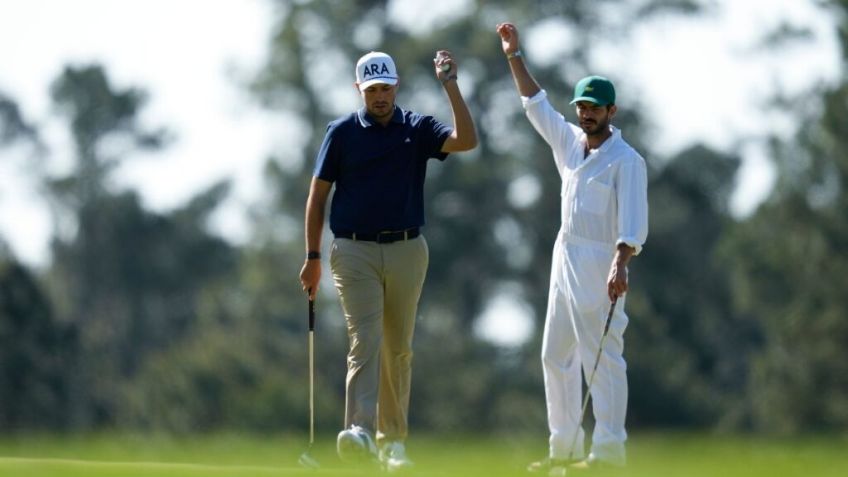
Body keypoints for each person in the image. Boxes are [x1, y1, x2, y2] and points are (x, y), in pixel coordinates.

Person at [299, 50, 477, 471]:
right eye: (372, 90)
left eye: (386, 88)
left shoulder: (417, 127)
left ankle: (392, 442)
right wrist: (312, 256)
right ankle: (359, 430)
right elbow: (317, 197)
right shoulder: (341, 132)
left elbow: (466, 141)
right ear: (359, 89)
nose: (380, 97)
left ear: (396, 85)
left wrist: (450, 84)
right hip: (353, 250)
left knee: (398, 347)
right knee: (366, 339)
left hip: (407, 249)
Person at [496, 22, 649, 473]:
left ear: (611, 110)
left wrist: (620, 264)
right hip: (564, 259)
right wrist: (513, 55)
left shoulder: (627, 161)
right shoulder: (569, 144)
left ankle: (607, 454)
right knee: (553, 355)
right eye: (581, 106)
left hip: (602, 261)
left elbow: (634, 223)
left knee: (602, 360)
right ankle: (562, 448)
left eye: (594, 108)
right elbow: (535, 104)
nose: (586, 114)